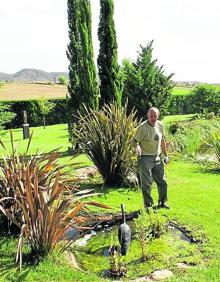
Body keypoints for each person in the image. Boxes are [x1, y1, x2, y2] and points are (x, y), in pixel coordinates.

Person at [131, 107, 169, 209]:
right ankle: (148, 205)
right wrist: (137, 147)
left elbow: (162, 141)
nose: (153, 118)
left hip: (157, 157)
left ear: (158, 116)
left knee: (162, 181)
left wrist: (165, 155)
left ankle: (163, 202)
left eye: (155, 116)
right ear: (148, 116)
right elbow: (134, 141)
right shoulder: (142, 127)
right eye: (151, 116)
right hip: (145, 158)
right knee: (146, 183)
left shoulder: (160, 125)